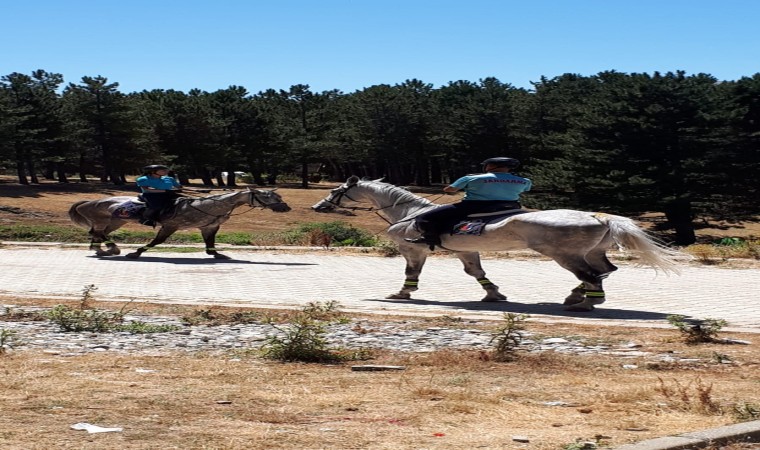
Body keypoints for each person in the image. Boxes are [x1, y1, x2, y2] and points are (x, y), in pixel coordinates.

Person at [405, 157, 531, 248]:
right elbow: (525, 190)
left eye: (487, 165)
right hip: (511, 206)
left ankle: (431, 239)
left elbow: (450, 190)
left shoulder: (472, 178)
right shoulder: (524, 180)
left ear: (491, 166)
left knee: (425, 217)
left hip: (475, 206)